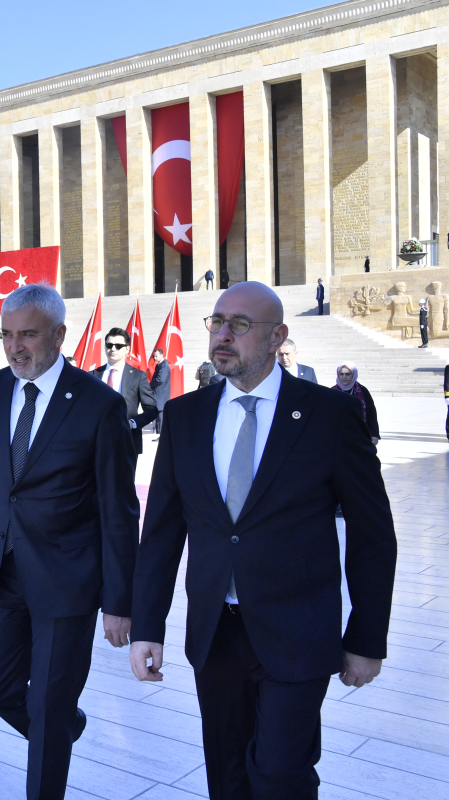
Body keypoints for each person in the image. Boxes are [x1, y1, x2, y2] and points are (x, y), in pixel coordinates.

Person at [129, 282, 397, 800]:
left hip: (299, 631)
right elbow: (161, 534)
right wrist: (147, 626)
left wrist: (367, 637)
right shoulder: (185, 417)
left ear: (278, 336)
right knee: (226, 775)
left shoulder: (330, 415)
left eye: (240, 325)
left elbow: (372, 533)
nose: (222, 336)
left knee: (280, 773)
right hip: (216, 633)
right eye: (217, 322)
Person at [0, 285, 140, 800]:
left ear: (60, 335)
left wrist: (119, 602)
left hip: (68, 580)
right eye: (7, 335)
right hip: (2, 574)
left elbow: (118, 509)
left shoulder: (99, 405)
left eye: (28, 335)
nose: (15, 346)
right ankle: (62, 724)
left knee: (47, 703)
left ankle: (53, 731)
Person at [90, 327, 158, 465]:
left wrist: (132, 424)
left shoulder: (138, 376)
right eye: (109, 345)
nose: (113, 349)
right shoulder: (92, 375)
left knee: (124, 486)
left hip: (127, 441)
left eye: (118, 346)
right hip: (95, 443)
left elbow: (152, 409)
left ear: (127, 349)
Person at [333, 361, 380, 445]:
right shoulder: (332, 392)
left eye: (347, 374)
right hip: (338, 435)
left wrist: (374, 434)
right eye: (341, 374)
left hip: (360, 434)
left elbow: (371, 413)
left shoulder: (362, 390)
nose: (344, 377)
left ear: (353, 375)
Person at [149, 348, 171, 432]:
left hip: (161, 394)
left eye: (156, 356)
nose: (154, 358)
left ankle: (160, 433)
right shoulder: (160, 365)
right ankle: (158, 431)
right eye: (154, 356)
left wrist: (150, 384)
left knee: (160, 415)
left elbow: (160, 379)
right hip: (159, 393)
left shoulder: (164, 365)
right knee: (158, 414)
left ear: (162, 355)